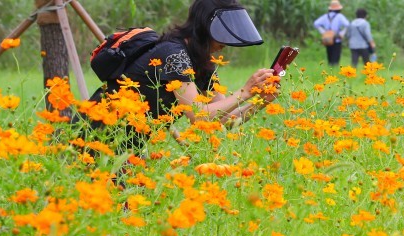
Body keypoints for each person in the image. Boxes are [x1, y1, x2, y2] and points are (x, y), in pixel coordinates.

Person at [80, 0, 278, 151]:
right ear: (206, 25)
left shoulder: (202, 60)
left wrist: (259, 102)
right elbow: (200, 118)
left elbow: (222, 119)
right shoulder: (174, 54)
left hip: (128, 147)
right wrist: (245, 91)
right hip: (95, 138)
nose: (225, 43)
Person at [314, 1, 350, 67]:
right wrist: (342, 33)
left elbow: (316, 23)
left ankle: (330, 67)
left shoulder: (325, 16)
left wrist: (323, 32)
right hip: (336, 39)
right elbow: (347, 24)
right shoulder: (339, 16)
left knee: (329, 54)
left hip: (327, 38)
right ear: (339, 9)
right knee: (336, 56)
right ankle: (334, 69)